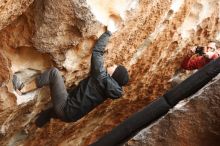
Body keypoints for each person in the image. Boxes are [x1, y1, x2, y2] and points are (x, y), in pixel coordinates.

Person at [13, 19, 129, 127]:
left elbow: (97, 52)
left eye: (115, 67)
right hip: (72, 116)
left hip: (65, 108)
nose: (113, 65)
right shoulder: (109, 89)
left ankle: (22, 89)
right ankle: (44, 118)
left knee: (54, 73)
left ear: (114, 74)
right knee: (65, 88)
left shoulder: (101, 77)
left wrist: (108, 32)